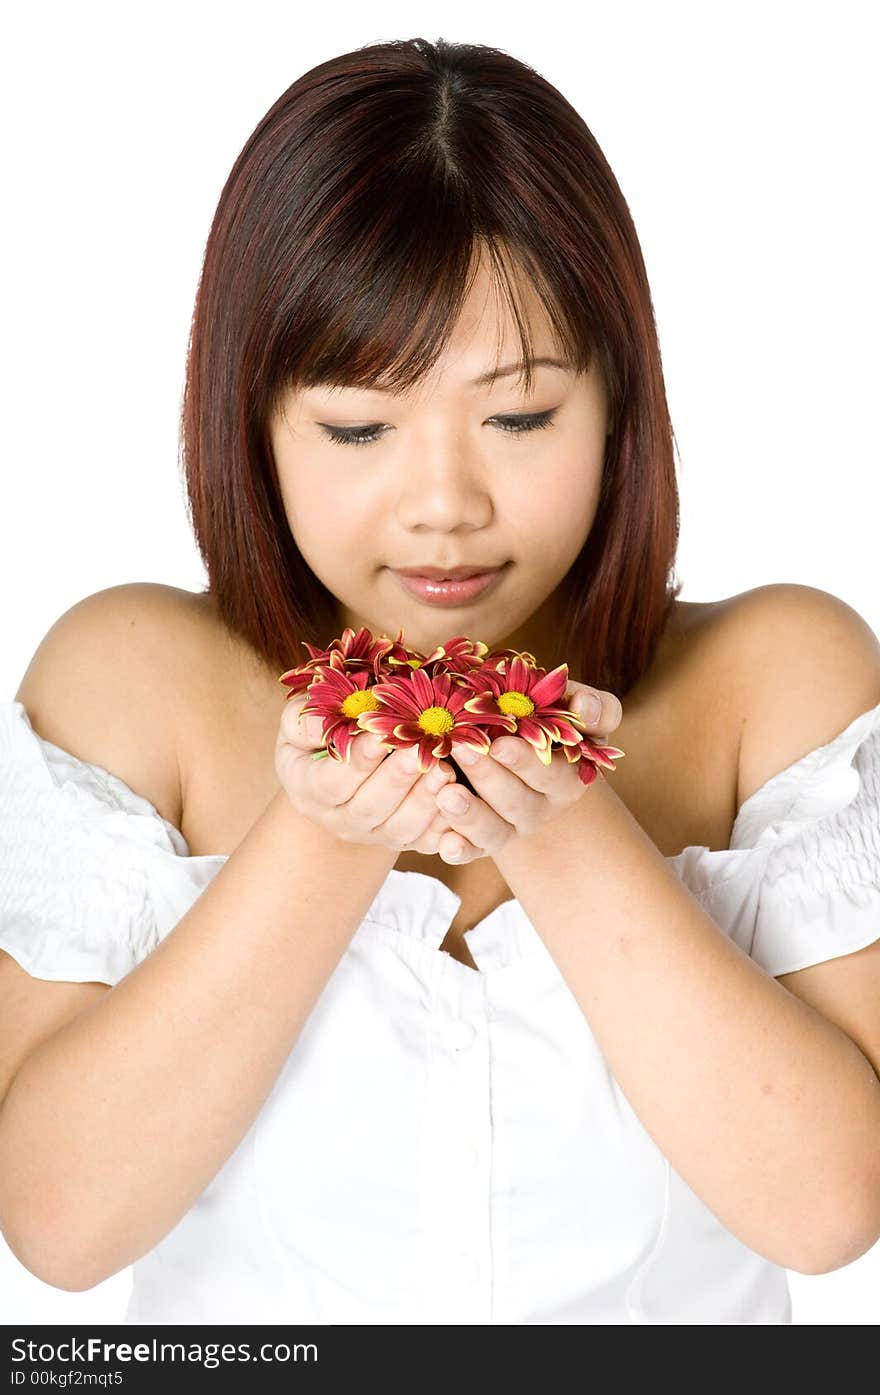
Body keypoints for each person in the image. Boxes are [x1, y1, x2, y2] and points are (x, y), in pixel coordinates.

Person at [1, 36, 879, 1327]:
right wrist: (324, 836)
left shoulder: (778, 683)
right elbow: (57, 1224)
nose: (443, 508)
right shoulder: (134, 686)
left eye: (519, 419)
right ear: (252, 424)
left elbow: (831, 1211)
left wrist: (564, 824)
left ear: (619, 406)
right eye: (359, 427)